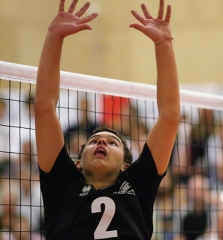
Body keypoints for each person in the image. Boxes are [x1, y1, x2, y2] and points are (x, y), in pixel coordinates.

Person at [35, 0, 180, 239]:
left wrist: (163, 43)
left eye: (112, 143)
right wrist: (53, 36)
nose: (101, 143)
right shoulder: (62, 183)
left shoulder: (138, 183)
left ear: (125, 165)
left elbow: (170, 115)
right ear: (78, 163)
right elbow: (44, 108)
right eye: (93, 141)